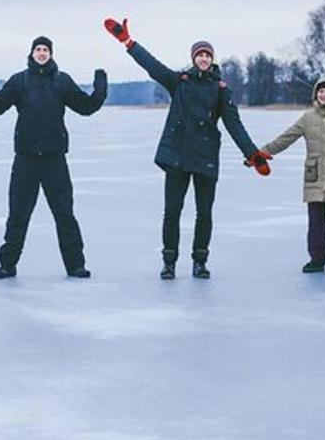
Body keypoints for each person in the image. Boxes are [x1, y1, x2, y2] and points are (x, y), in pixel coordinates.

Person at [104, 17, 271, 279]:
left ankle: (199, 262)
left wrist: (252, 153)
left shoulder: (220, 90)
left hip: (205, 158)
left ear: (212, 59)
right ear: (193, 59)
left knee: (204, 213)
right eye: (199, 55)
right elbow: (152, 66)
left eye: (207, 55)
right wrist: (128, 42)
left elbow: (233, 124)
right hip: (177, 156)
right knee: (172, 211)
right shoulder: (179, 82)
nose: (203, 59)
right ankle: (169, 261)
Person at [0, 36, 106, 279]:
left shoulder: (62, 81)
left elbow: (86, 107)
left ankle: (76, 265)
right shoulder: (19, 81)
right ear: (32, 53)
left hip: (55, 160)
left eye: (46, 49)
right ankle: (7, 265)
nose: (42, 53)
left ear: (51, 54)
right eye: (38, 49)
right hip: (25, 160)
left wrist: (100, 85)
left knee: (64, 214)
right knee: (18, 215)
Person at [261, 77, 325, 274]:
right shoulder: (307, 118)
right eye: (320, 92)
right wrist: (262, 152)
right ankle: (317, 260)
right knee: (316, 223)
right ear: (316, 95)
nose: (324, 95)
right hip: (315, 176)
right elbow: (286, 138)